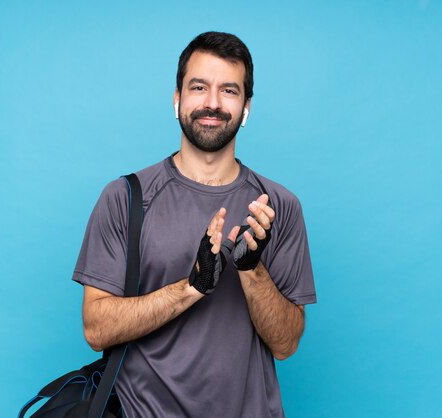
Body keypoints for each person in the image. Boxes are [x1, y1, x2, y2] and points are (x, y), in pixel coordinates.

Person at [72, 31, 316, 418]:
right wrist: (190, 289)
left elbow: (286, 344)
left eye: (230, 91)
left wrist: (251, 270)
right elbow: (96, 329)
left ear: (247, 107)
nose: (213, 103)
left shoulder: (278, 206)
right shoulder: (126, 198)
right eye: (199, 87)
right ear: (177, 98)